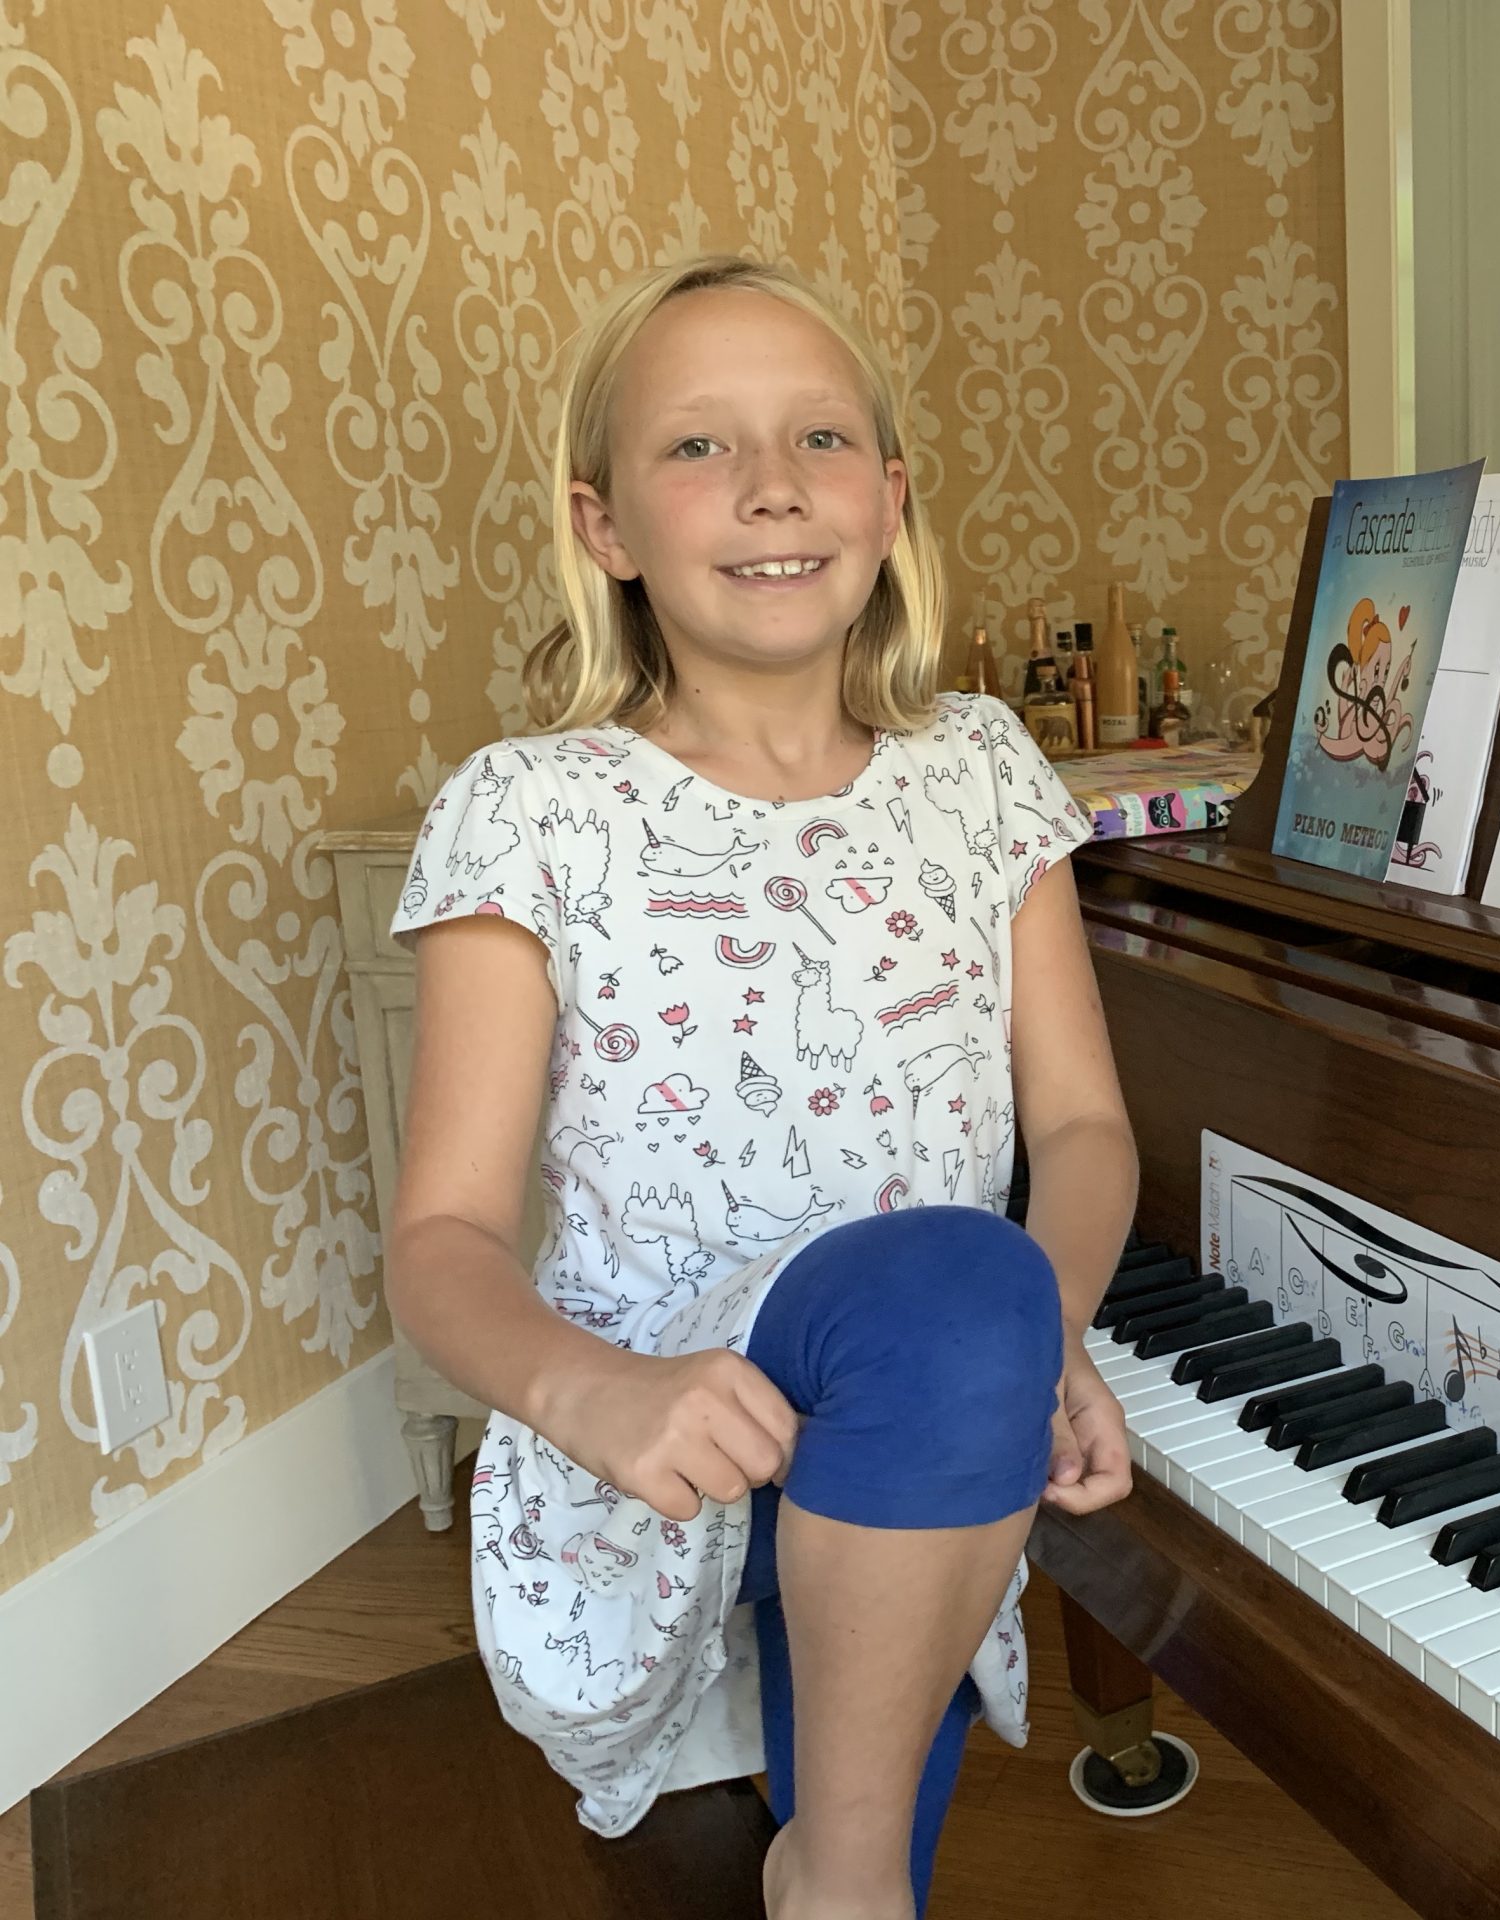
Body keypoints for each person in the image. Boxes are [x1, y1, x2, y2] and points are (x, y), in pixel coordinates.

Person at [383, 253, 1138, 1920]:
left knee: (953, 1291)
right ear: (602, 525)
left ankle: (845, 1877)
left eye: (818, 437)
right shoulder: (530, 812)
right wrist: (592, 1396)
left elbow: (1083, 1127)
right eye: (698, 449)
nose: (774, 485)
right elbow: (438, 1237)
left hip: (932, 1415)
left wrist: (1052, 1328)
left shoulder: (981, 773)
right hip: (661, 1449)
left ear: (890, 494)